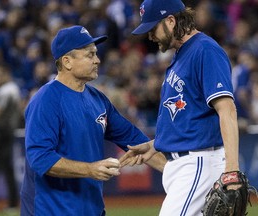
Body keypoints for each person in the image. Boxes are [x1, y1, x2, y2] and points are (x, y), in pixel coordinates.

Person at [20, 25, 166, 216]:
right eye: (89, 55)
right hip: (50, 211)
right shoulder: (46, 100)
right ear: (67, 62)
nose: (97, 60)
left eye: (96, 54)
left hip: (91, 209)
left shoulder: (98, 99)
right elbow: (40, 158)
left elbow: (137, 142)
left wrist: (175, 173)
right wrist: (90, 170)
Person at [119, 0, 241, 215]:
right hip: (183, 166)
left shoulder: (205, 50)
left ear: (171, 21)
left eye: (152, 28)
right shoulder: (182, 54)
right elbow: (189, 116)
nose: (150, 36)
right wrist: (157, 144)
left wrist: (232, 170)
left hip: (198, 164)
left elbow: (227, 110)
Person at [0, 64, 21, 210]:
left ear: (6, 74)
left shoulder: (6, 90)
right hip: (8, 132)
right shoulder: (12, 88)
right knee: (7, 168)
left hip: (2, 133)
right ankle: (13, 202)